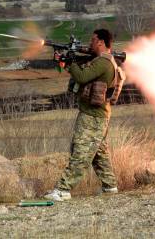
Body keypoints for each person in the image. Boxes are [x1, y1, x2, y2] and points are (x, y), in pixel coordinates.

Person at [44, 29, 120, 201]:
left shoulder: (103, 62)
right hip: (96, 115)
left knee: (81, 152)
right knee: (98, 153)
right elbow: (82, 70)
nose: (90, 43)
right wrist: (65, 61)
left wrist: (70, 63)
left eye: (93, 40)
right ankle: (110, 186)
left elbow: (83, 77)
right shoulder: (100, 60)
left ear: (101, 42)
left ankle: (63, 189)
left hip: (93, 117)